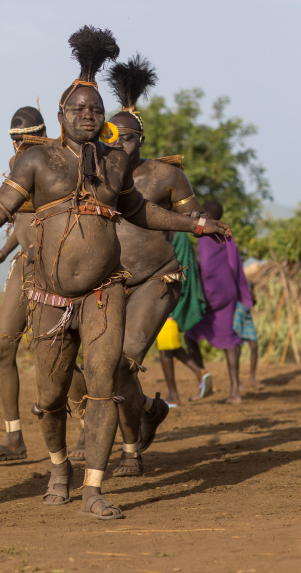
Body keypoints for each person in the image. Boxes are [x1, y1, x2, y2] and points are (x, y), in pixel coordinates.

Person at [0, 26, 232, 520]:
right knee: (49, 396)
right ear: (62, 115)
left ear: (104, 119)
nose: (88, 115)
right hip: (47, 295)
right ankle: (60, 468)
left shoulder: (114, 164)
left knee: (104, 383)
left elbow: (138, 211)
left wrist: (194, 223)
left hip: (106, 292)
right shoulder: (36, 160)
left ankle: (93, 487)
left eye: (96, 109)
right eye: (79, 109)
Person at [68, 55, 207, 477]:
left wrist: (202, 228)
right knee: (77, 364)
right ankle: (147, 408)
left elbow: (190, 220)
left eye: (128, 139)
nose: (120, 145)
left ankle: (129, 452)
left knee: (121, 362)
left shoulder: (166, 176)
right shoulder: (94, 173)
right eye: (114, 137)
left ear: (141, 139)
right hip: (105, 282)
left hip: (155, 279)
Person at [0, 106, 47, 462]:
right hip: (23, 264)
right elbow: (18, 215)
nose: (19, 142)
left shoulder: (58, 161)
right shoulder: (17, 162)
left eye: (25, 136)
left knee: (54, 352)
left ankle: (85, 426)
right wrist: (5, 250)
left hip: (54, 265)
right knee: (2, 347)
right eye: (14, 137)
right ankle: (14, 438)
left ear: (42, 133)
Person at [184, 200, 253, 404]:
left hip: (210, 295)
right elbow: (235, 265)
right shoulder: (221, 234)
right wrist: (242, 292)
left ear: (206, 215)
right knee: (229, 340)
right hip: (224, 293)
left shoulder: (206, 232)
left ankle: (203, 379)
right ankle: (235, 392)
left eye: (201, 213)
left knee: (190, 334)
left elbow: (229, 264)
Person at [158, 231, 212, 406]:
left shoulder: (172, 231)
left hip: (169, 295)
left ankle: (178, 391)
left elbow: (175, 269)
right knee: (168, 346)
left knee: (165, 347)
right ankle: (198, 374)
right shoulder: (180, 233)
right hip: (174, 292)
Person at [233, 283, 263, 389]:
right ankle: (236, 382)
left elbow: (253, 303)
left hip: (246, 316)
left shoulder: (248, 283)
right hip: (236, 314)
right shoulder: (235, 281)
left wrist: (252, 295)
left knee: (254, 345)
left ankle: (252, 378)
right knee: (236, 349)